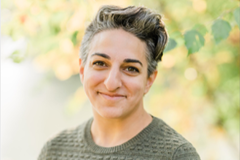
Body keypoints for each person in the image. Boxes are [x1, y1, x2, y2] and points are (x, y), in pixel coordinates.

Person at [38, 5, 201, 160]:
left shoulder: (176, 155)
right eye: (100, 63)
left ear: (149, 80)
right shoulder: (55, 151)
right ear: (82, 70)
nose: (111, 83)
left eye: (130, 68)